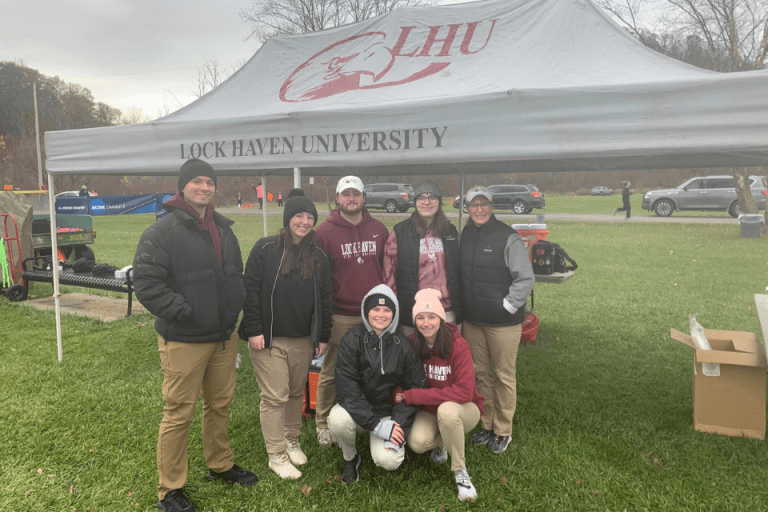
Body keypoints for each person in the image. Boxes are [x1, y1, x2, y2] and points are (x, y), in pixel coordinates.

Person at [133, 158, 257, 512]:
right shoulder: (162, 232)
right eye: (197, 181)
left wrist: (235, 308)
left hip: (222, 337)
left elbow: (236, 274)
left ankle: (220, 465)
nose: (204, 187)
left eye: (209, 182)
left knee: (219, 407)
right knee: (179, 413)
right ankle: (170, 490)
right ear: (183, 186)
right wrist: (184, 312)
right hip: (184, 340)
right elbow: (145, 283)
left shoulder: (223, 228)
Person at [238, 188, 333, 479]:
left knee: (294, 393)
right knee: (275, 396)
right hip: (268, 338)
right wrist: (254, 328)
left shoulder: (318, 256)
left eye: (309, 217)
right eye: (298, 215)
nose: (304, 221)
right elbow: (250, 290)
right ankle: (276, 454)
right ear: (287, 217)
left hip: (303, 338)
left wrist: (323, 335)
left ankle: (292, 440)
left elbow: (326, 298)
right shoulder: (265, 249)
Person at [313, 176, 389, 447]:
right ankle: (322, 423)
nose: (351, 199)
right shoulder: (324, 232)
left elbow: (387, 270)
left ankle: (367, 416)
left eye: (356, 194)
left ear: (364, 198)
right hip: (341, 314)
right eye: (346, 194)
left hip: (374, 314)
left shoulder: (379, 229)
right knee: (333, 370)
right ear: (337, 199)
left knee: (373, 368)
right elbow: (318, 277)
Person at [460, 186, 534, 454]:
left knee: (503, 375)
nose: (479, 209)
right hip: (473, 321)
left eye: (484, 204)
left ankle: (503, 429)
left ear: (491, 206)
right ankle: (486, 422)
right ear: (467, 208)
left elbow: (525, 278)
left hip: (502, 323)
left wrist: (507, 305)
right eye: (474, 205)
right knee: (480, 374)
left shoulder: (507, 237)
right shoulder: (466, 234)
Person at [328, 284, 428, 483]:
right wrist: (375, 425)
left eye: (387, 310)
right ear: (366, 311)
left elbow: (416, 386)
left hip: (389, 415)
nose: (381, 314)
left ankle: (397, 444)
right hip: (360, 412)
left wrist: (396, 425)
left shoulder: (404, 345)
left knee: (389, 461)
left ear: (394, 313)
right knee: (337, 420)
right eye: (375, 309)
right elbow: (347, 388)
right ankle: (351, 457)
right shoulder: (352, 339)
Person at [398, 288, 484, 502]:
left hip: (464, 408)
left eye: (431, 316)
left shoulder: (458, 345)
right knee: (417, 443)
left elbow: (464, 392)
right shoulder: (412, 343)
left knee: (447, 411)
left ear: (441, 318)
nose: (426, 323)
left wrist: (415, 396)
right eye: (420, 317)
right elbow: (400, 376)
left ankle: (460, 472)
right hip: (430, 410)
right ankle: (446, 441)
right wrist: (400, 391)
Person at [382, 180, 462, 336]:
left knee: (446, 356)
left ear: (439, 201)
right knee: (413, 356)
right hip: (413, 310)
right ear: (415, 202)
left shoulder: (450, 231)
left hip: (447, 309)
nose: (427, 202)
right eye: (421, 198)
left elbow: (460, 269)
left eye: (432, 197)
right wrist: (391, 307)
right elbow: (388, 274)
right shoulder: (400, 232)